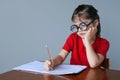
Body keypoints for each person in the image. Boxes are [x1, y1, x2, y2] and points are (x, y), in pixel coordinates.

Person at [44, 4, 110, 70]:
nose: (79, 30)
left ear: (95, 23)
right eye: (76, 26)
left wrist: (87, 41)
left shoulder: (103, 43)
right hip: (75, 76)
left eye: (83, 25)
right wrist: (53, 62)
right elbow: (61, 56)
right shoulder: (73, 38)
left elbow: (93, 64)